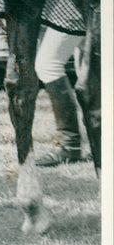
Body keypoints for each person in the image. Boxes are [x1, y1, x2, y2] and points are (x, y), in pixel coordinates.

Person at [34, 27, 84, 166]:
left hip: (70, 10)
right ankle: (97, 141)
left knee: (48, 65)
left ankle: (70, 145)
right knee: (87, 63)